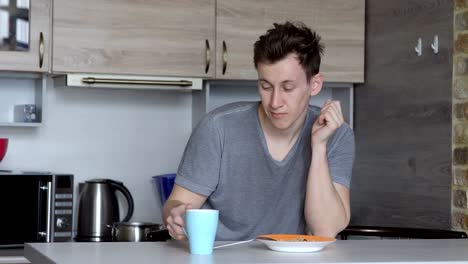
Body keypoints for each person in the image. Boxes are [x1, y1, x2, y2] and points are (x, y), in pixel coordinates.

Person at [163, 21, 355, 241]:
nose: (274, 102)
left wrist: (319, 147)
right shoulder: (218, 127)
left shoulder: (337, 134)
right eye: (266, 86)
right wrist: (175, 214)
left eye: (287, 87)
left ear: (315, 84)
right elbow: (175, 204)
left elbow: (325, 230)